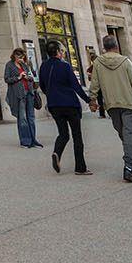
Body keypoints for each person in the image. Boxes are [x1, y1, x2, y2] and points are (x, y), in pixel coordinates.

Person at [87, 35, 132, 184]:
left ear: (104, 48)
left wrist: (92, 101)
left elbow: (94, 84)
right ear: (117, 47)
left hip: (112, 105)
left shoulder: (98, 64)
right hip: (128, 103)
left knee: (124, 134)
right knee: (128, 135)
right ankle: (128, 167)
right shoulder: (125, 62)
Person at [39, 41, 92, 175]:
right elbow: (76, 86)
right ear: (57, 52)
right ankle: (80, 167)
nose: (63, 53)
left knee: (63, 133)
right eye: (62, 51)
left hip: (54, 105)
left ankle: (57, 153)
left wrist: (52, 95)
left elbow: (43, 86)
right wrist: (89, 100)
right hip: (70, 104)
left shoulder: (43, 66)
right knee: (77, 135)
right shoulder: (65, 66)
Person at [3, 48, 42, 148]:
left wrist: (29, 78)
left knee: (31, 117)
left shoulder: (24, 65)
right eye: (20, 56)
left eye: (23, 57)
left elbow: (31, 76)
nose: (21, 58)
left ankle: (33, 140)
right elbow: (6, 79)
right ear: (15, 55)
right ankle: (25, 141)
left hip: (29, 92)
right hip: (18, 94)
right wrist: (18, 77)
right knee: (22, 118)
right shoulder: (9, 65)